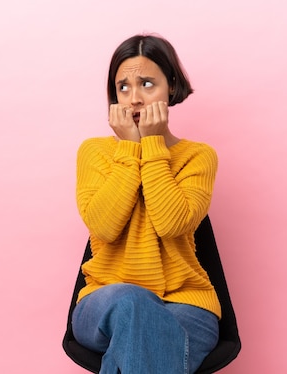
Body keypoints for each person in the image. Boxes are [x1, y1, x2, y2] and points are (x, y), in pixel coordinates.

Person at [72, 34, 221, 374]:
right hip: (105, 300)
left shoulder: (198, 157)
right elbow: (104, 227)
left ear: (171, 86)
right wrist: (129, 149)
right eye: (123, 87)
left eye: (147, 83)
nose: (134, 99)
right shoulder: (95, 152)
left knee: (138, 340)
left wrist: (152, 144)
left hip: (186, 304)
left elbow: (172, 224)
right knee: (133, 306)